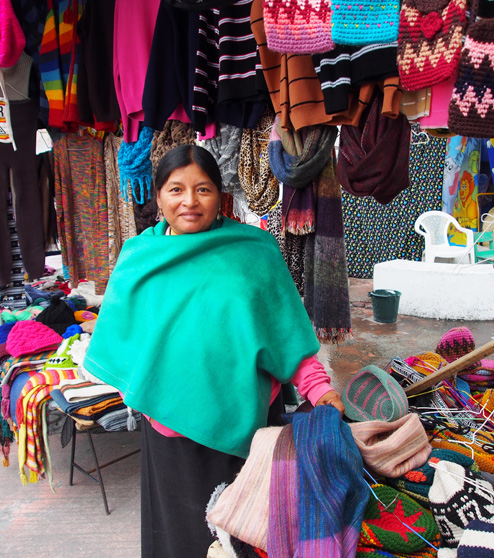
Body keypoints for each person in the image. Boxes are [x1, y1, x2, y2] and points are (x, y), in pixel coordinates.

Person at [83, 144, 344, 557]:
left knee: (244, 533)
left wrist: (319, 389)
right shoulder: (139, 259)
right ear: (158, 196)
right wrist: (145, 394)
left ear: (220, 195)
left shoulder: (253, 252)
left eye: (202, 189)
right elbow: (122, 339)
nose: (189, 201)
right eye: (176, 189)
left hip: (248, 426)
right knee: (181, 537)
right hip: (170, 434)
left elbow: (285, 331)